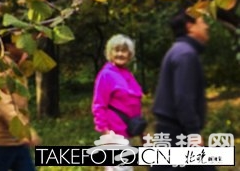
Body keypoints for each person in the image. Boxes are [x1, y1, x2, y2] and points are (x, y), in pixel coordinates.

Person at [151, 9, 214, 170]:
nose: (207, 27)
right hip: (177, 133)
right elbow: (183, 98)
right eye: (202, 22)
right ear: (190, 26)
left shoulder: (179, 50)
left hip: (172, 130)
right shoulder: (186, 54)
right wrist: (193, 133)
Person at [0, 39, 40, 171]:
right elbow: (6, 108)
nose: (24, 45)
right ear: (8, 46)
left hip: (18, 140)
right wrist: (25, 132)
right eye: (19, 41)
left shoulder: (18, 67)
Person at [92, 34, 144, 171]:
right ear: (110, 53)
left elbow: (134, 103)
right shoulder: (106, 75)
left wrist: (141, 131)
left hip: (128, 131)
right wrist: (105, 131)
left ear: (130, 54)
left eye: (124, 50)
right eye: (117, 50)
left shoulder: (128, 75)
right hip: (114, 134)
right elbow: (99, 105)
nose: (120, 54)